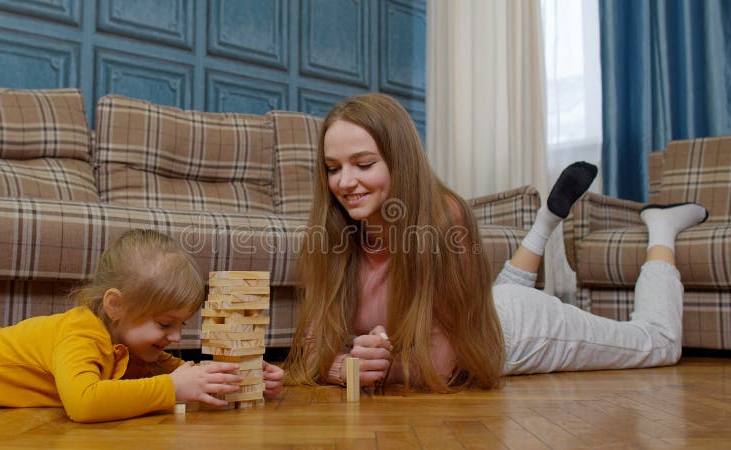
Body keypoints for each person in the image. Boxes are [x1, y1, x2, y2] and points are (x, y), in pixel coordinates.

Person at [283, 92, 708, 393]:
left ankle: (663, 227)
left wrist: (380, 367)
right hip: (474, 309)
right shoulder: (333, 234)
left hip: (514, 332)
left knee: (657, 344)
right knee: (489, 295)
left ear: (401, 161)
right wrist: (345, 368)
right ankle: (545, 221)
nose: (344, 182)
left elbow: (447, 362)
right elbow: (311, 346)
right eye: (332, 168)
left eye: (363, 164)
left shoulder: (444, 218)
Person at [0, 229, 284, 422]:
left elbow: (180, 372)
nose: (176, 337)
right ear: (115, 306)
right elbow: (85, 404)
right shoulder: (80, 333)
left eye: (181, 324)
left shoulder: (130, 345)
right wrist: (172, 389)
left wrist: (240, 377)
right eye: (165, 323)